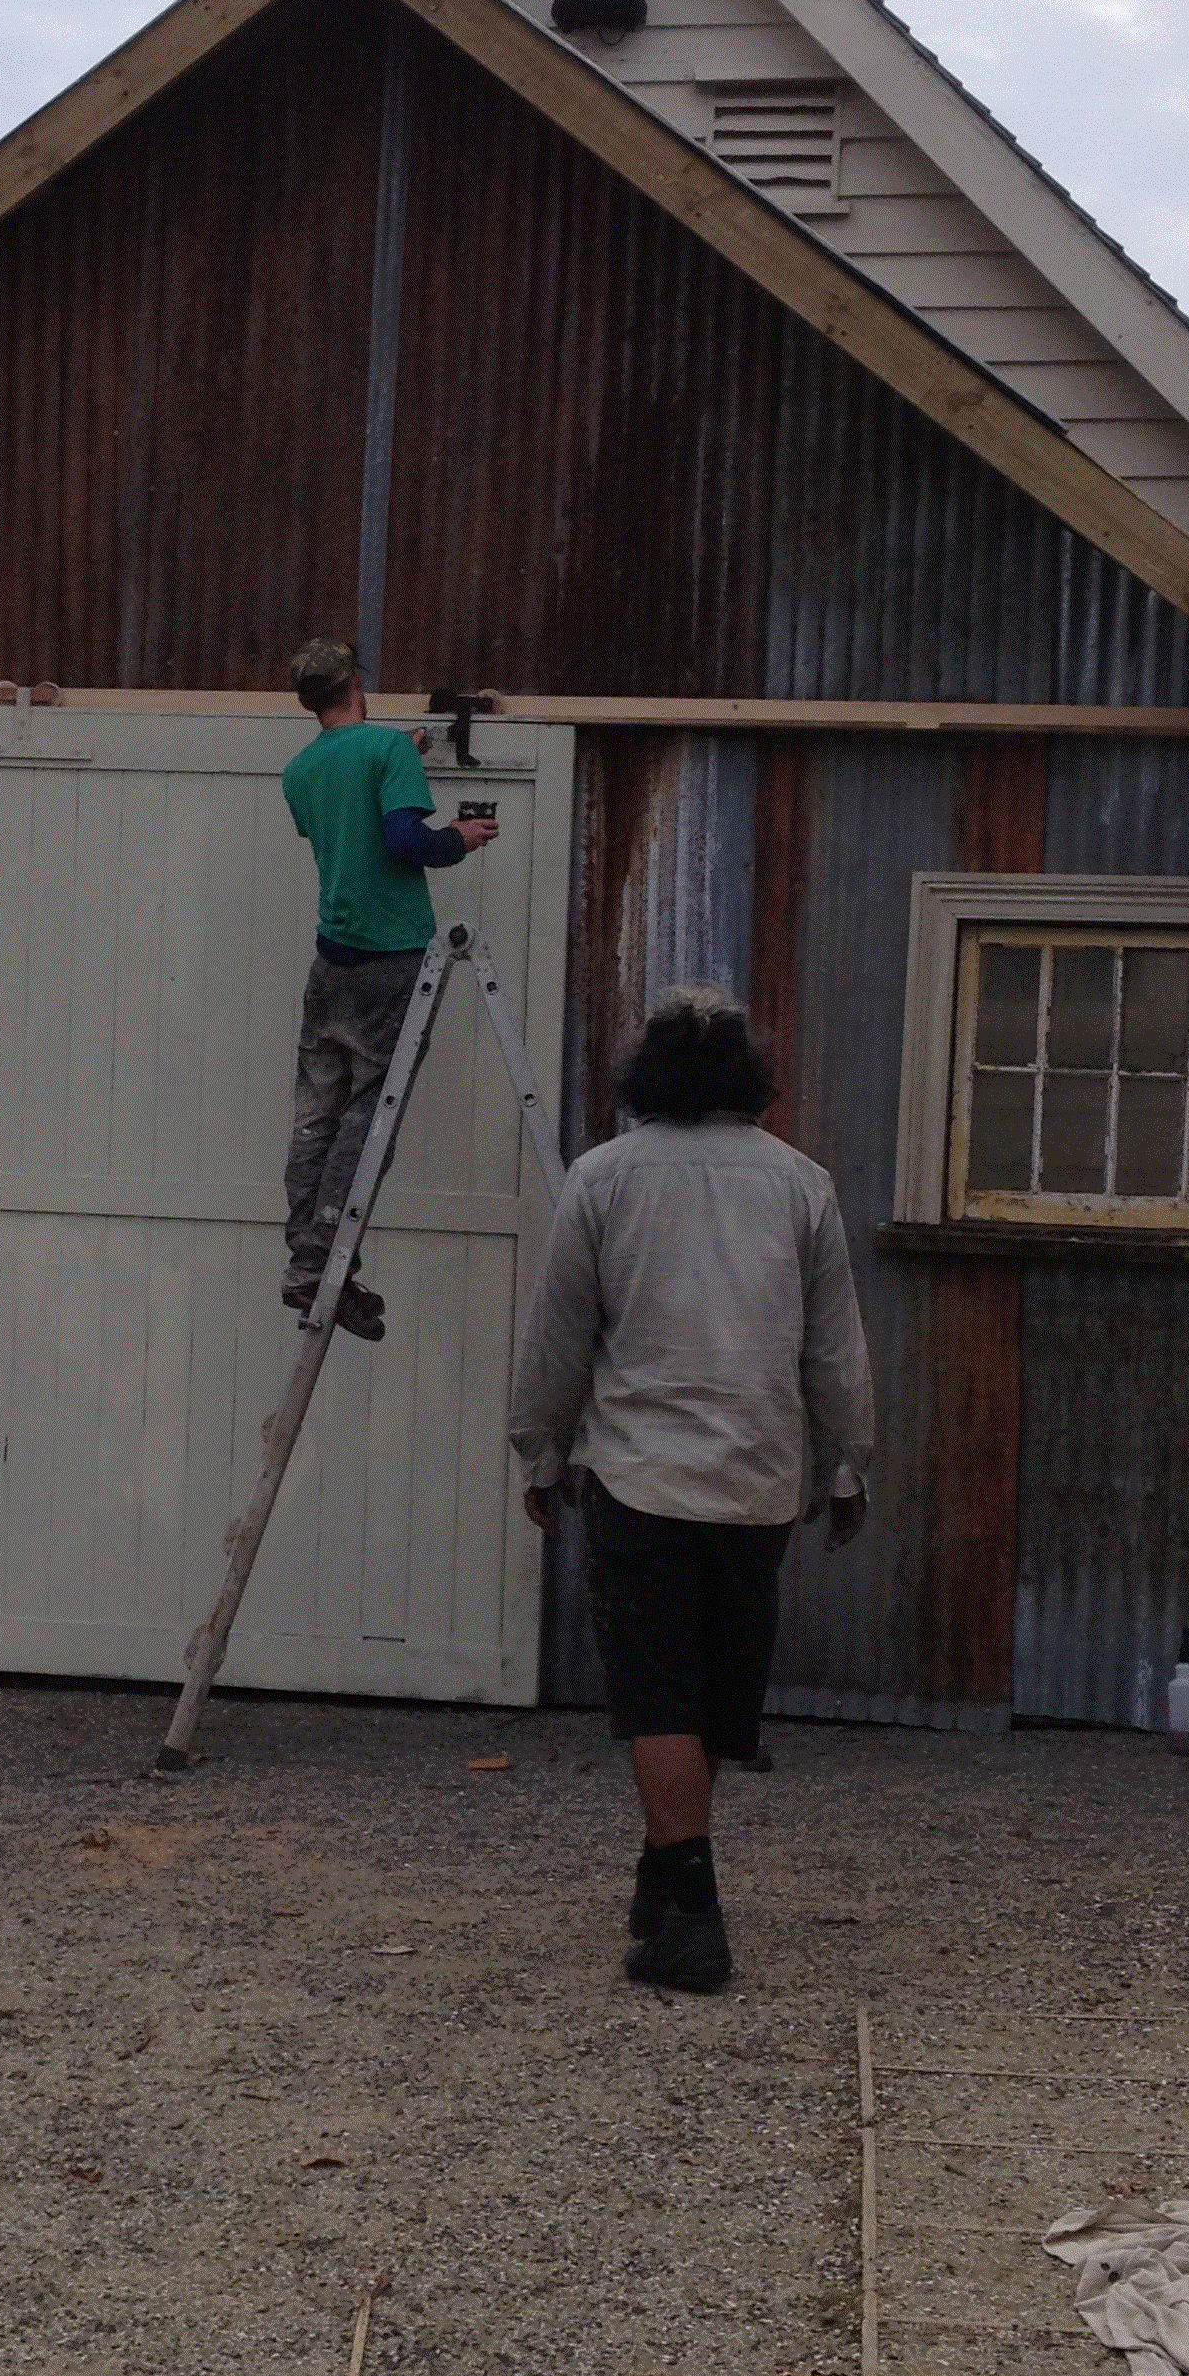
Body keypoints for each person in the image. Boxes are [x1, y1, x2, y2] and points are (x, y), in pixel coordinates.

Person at [508, 985, 874, 1993]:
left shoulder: (604, 1179)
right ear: (747, 1080)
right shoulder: (804, 1184)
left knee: (659, 1696)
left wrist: (539, 1449)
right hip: (756, 1482)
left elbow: (558, 1337)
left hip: (640, 1475)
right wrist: (847, 1465)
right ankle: (663, 1885)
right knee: (711, 1696)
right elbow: (836, 1349)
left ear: (647, 1077)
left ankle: (695, 1920)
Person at [280, 637, 498, 1340]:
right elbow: (405, 842)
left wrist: (399, 749)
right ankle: (327, 1268)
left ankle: (302, 1264)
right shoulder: (386, 755)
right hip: (391, 961)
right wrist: (459, 836)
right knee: (369, 1115)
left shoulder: (302, 770)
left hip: (331, 965)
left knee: (317, 1113)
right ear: (356, 682)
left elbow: (348, 811)